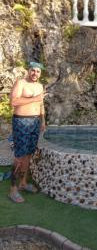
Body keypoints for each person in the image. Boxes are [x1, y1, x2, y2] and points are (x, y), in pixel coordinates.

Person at [8, 61, 46, 203]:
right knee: (20, 156)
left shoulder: (40, 86)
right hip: (22, 122)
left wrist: (43, 121)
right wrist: (35, 98)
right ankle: (13, 190)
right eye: (33, 70)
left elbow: (41, 104)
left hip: (35, 122)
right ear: (28, 71)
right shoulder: (21, 83)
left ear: (40, 73)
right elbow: (13, 102)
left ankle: (23, 183)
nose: (35, 73)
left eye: (38, 71)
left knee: (29, 154)